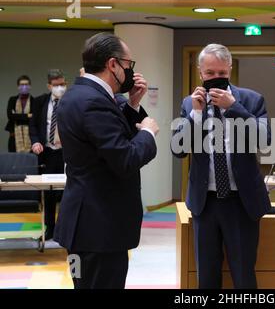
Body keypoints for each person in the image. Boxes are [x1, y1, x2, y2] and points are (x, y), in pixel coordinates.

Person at [54, 32, 159, 289]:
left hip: (86, 223)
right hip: (100, 226)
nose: (130, 73)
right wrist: (147, 132)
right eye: (128, 65)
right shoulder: (94, 102)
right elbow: (124, 159)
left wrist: (133, 105)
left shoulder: (76, 94)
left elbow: (105, 140)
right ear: (112, 64)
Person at [171, 43, 271, 289]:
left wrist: (233, 108)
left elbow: (265, 142)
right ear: (199, 72)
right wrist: (195, 115)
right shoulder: (188, 104)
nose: (215, 79)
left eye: (221, 74)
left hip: (241, 201)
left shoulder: (251, 99)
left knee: (243, 273)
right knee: (206, 275)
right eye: (209, 74)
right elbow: (179, 150)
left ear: (230, 68)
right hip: (205, 202)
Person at [29, 69, 67, 240]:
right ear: (49, 85)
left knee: (68, 192)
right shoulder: (39, 102)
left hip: (67, 153)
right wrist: (35, 141)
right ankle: (50, 228)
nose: (60, 88)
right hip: (48, 152)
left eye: (62, 84)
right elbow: (33, 126)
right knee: (49, 193)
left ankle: (65, 228)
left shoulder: (71, 101)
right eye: (56, 85)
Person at [4, 75, 34, 152]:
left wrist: (16, 116)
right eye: (22, 85)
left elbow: (34, 117)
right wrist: (27, 115)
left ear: (30, 86)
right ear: (18, 86)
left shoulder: (34, 101)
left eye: (26, 84)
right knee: (14, 160)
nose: (24, 87)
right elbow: (10, 116)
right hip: (14, 136)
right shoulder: (12, 100)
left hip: (30, 137)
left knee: (29, 160)